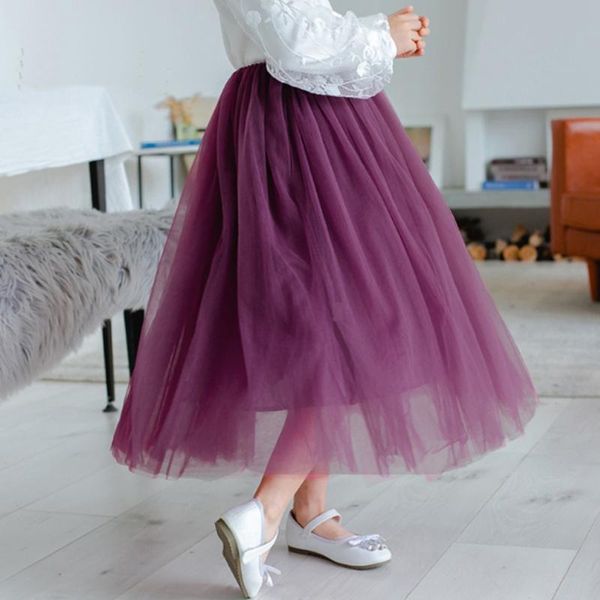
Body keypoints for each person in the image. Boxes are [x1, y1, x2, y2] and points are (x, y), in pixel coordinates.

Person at [110, 1, 539, 597]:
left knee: (325, 319)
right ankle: (265, 510)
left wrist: (383, 39)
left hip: (310, 117)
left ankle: (308, 511)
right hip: (298, 126)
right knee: (354, 321)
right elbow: (290, 39)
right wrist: (379, 34)